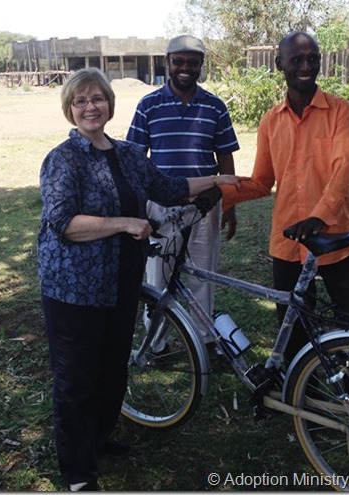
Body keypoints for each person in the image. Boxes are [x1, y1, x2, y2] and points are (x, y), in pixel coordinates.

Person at [37, 67, 241, 492]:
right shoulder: (63, 159)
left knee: (112, 369)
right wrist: (122, 223)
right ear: (69, 110)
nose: (91, 107)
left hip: (120, 280)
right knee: (76, 378)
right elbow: (63, 223)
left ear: (110, 104)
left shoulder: (129, 153)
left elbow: (168, 187)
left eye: (98, 99)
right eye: (81, 101)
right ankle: (77, 472)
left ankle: (99, 435)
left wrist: (218, 178)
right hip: (74, 286)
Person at [220, 32, 349, 362]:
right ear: (279, 65)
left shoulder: (341, 112)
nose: (306, 66)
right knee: (293, 330)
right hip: (288, 241)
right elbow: (262, 181)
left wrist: (320, 215)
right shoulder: (270, 121)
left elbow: (342, 172)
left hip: (336, 238)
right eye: (297, 59)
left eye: (312, 58)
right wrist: (222, 196)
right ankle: (303, 403)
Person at [126, 35, 239, 349]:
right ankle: (155, 343)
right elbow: (135, 160)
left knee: (203, 274)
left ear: (201, 65)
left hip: (205, 206)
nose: (185, 68)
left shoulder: (215, 106)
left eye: (193, 62)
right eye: (178, 62)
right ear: (167, 63)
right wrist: (139, 207)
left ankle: (204, 340)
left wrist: (228, 203)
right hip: (162, 207)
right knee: (158, 275)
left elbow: (225, 158)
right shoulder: (148, 105)